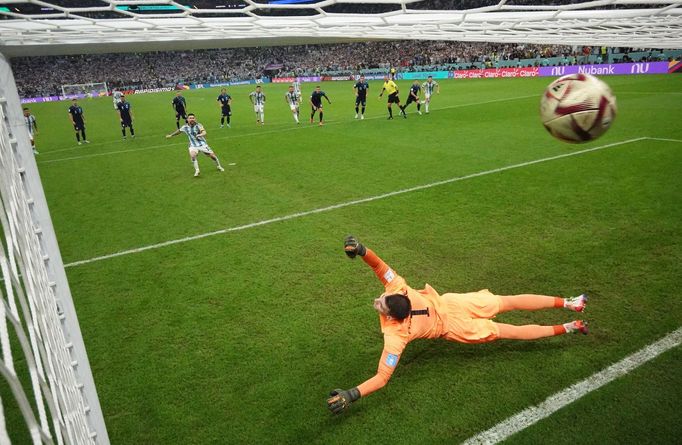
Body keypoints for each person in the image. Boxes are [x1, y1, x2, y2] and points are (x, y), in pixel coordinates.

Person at [326, 236, 588, 415]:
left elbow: (383, 377)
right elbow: (380, 268)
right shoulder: (399, 289)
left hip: (455, 327)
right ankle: (569, 304)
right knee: (508, 302)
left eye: (381, 303)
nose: (379, 299)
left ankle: (569, 324)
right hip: (454, 303)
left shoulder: (397, 335)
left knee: (511, 331)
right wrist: (361, 250)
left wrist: (351, 395)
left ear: (394, 317)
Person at [166, 113, 224, 177]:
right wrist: (171, 135)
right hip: (193, 145)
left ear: (195, 119)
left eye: (193, 118)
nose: (192, 119)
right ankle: (197, 170)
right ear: (187, 119)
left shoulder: (199, 125)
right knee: (193, 155)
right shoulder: (185, 127)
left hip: (202, 144)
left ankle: (219, 166)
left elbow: (204, 132)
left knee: (212, 156)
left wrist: (200, 134)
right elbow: (179, 131)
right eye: (190, 118)